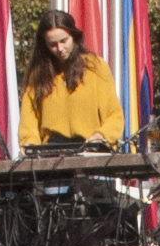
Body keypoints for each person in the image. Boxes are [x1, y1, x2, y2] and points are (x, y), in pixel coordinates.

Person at [22, 8, 120, 145]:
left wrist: (100, 135)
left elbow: (114, 116)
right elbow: (29, 123)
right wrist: (30, 145)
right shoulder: (38, 74)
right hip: (51, 154)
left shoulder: (95, 66)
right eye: (53, 44)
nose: (60, 48)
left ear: (74, 37)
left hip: (90, 150)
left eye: (64, 41)